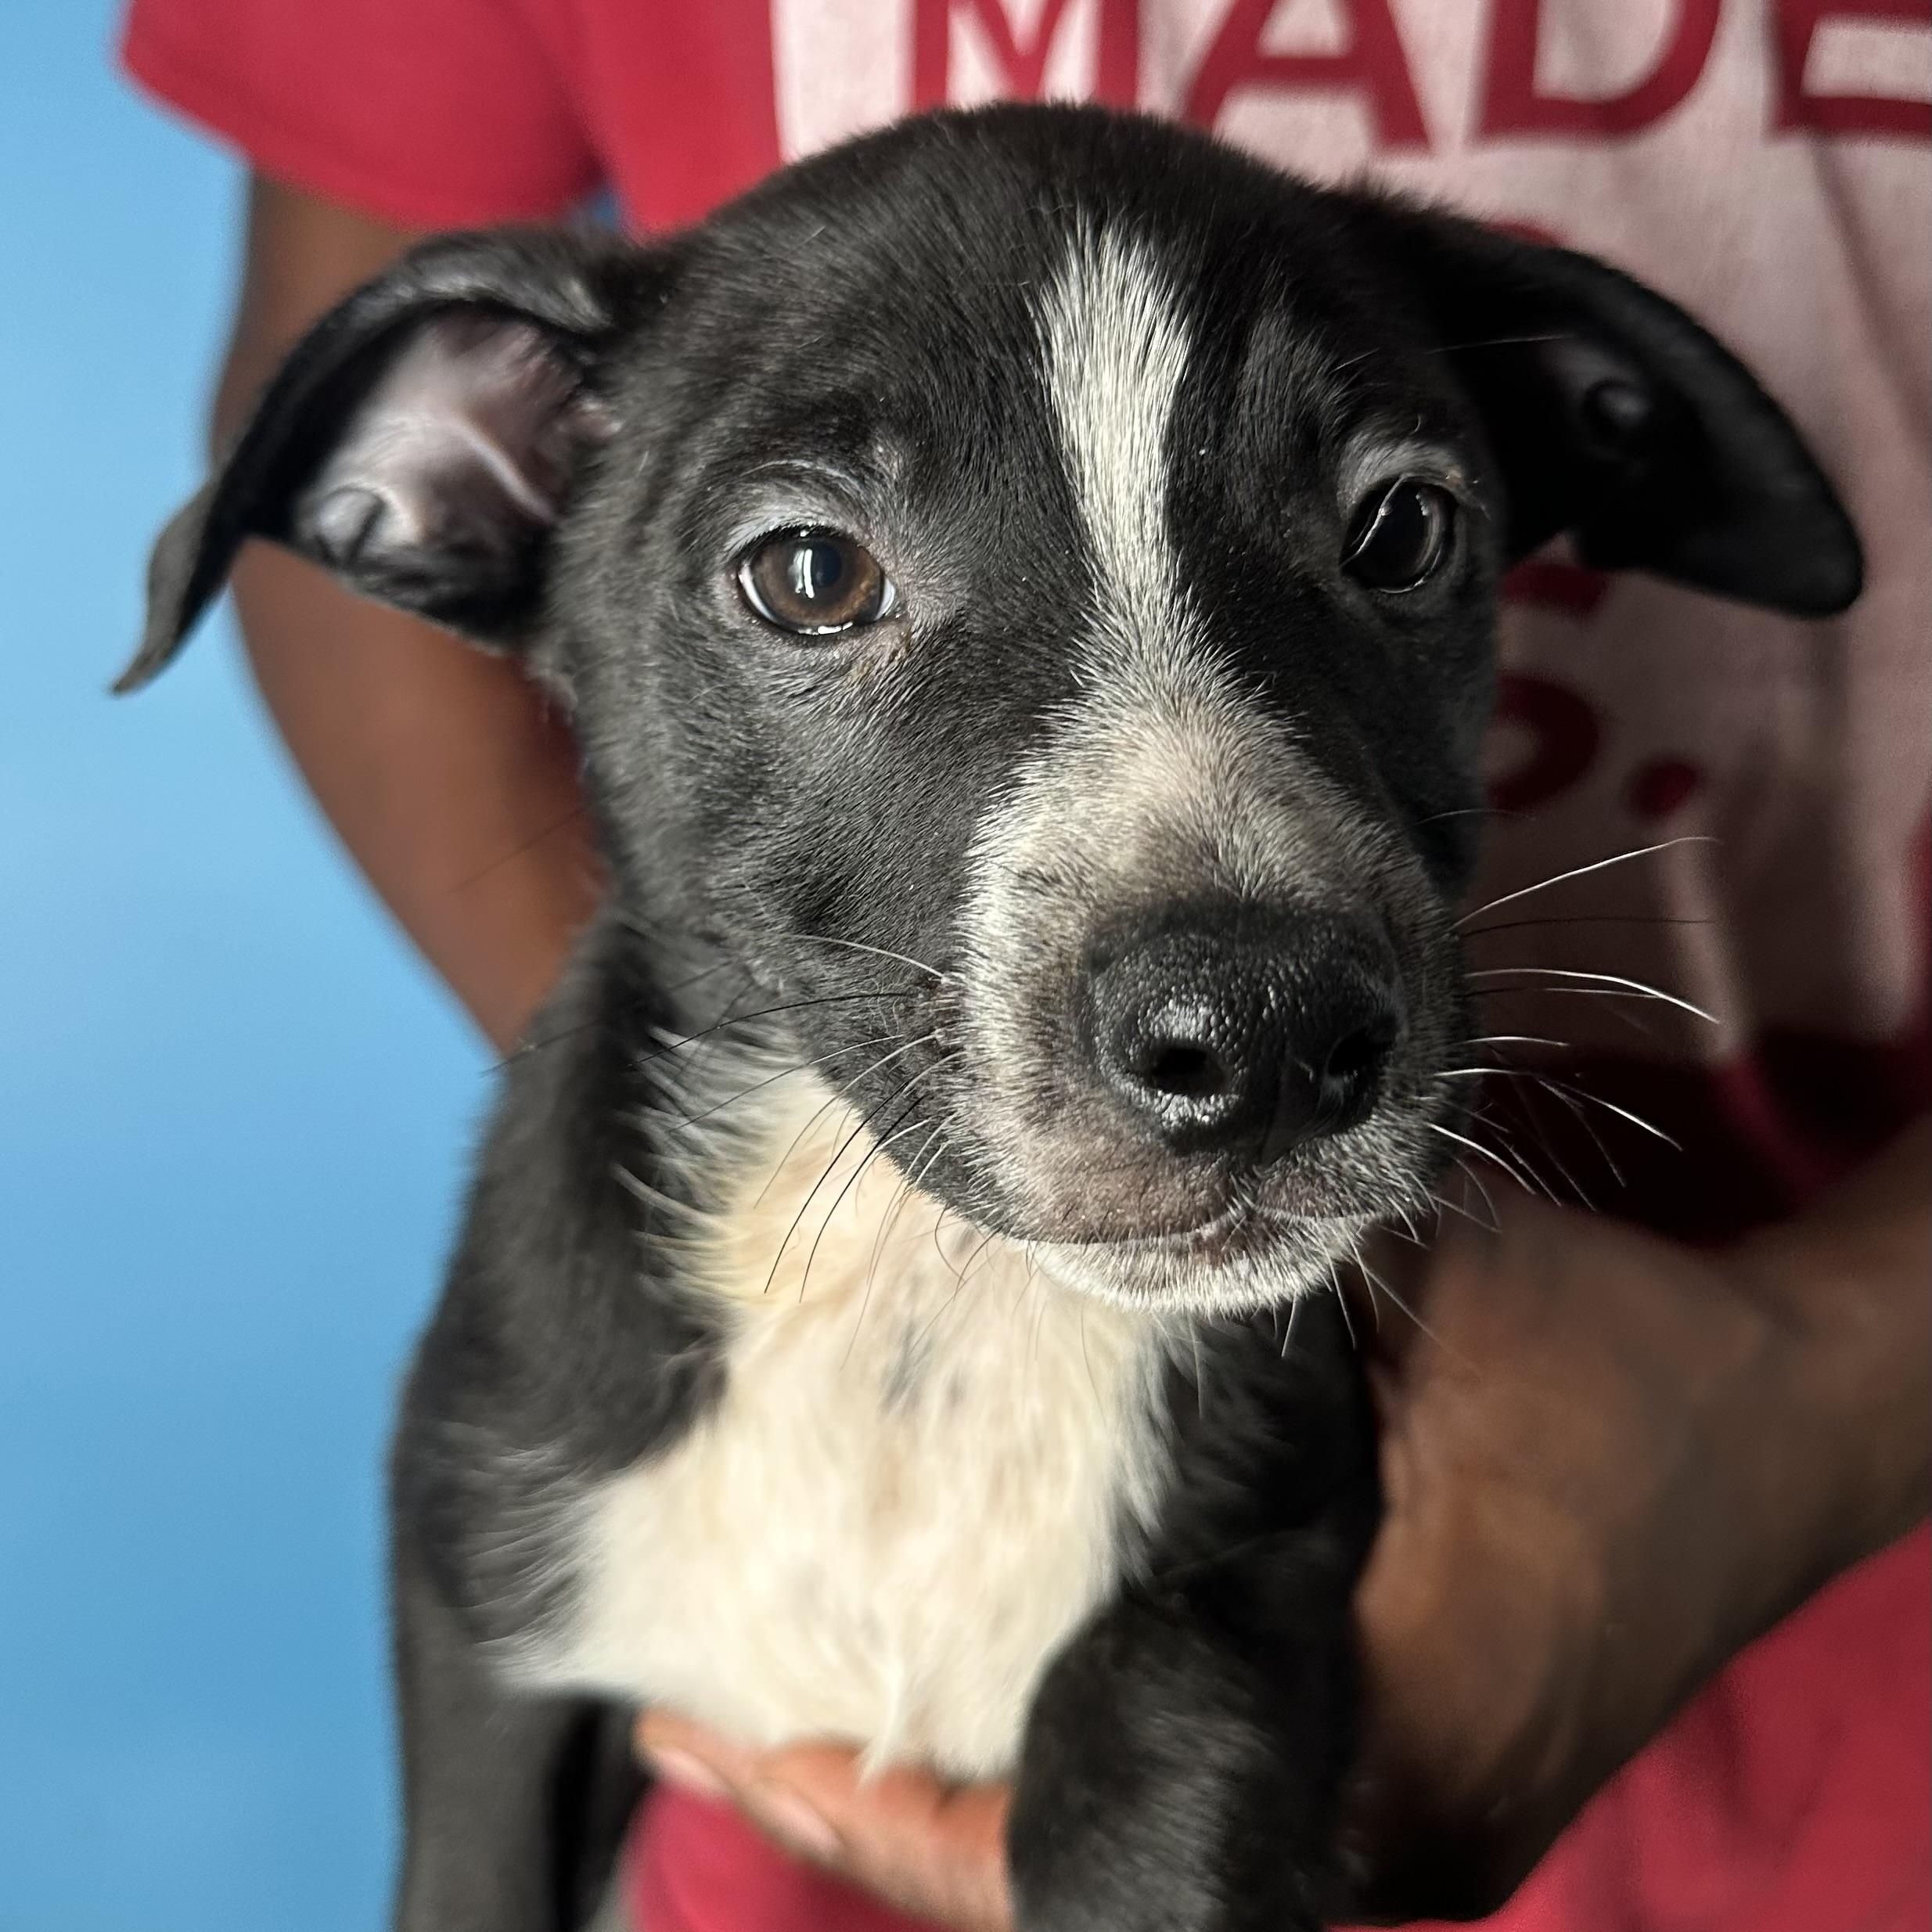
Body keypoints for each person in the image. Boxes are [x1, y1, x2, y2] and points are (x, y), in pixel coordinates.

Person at [123, 4, 1930, 1929]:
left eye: (1392, 531)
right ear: (470, 484)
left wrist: (1807, 1391)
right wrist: (787, 1147)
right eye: (815, 576)